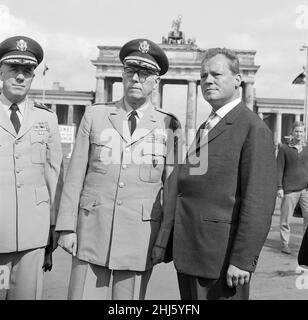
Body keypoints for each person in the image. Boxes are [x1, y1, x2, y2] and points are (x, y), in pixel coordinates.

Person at [56, 38, 181, 300]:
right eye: (130, 71)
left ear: (156, 82)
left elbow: (171, 190)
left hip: (140, 239)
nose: (136, 78)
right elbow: (75, 174)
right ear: (122, 76)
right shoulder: (95, 115)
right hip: (91, 233)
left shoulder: (169, 125)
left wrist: (163, 239)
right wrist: (67, 227)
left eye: (145, 73)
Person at [152, 48, 277, 300]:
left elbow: (259, 201)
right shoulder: (208, 125)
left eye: (217, 74)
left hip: (221, 260)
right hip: (192, 253)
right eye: (204, 75)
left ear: (238, 80)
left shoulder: (253, 128)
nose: (208, 80)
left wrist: (243, 259)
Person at [0, 36, 63, 299]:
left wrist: (54, 227)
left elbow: (54, 174)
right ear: (0, 73)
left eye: (27, 72)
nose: (20, 77)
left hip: (33, 235)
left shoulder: (46, 118)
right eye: (14, 70)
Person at [277, 121, 308, 255]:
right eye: (296, 131)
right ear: (292, 133)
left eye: (301, 131)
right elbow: (279, 169)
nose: (299, 134)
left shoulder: (307, 149)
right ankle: (285, 244)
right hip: (289, 190)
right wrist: (279, 187)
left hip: (305, 190)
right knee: (285, 219)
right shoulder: (284, 149)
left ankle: (305, 245)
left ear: (304, 133)